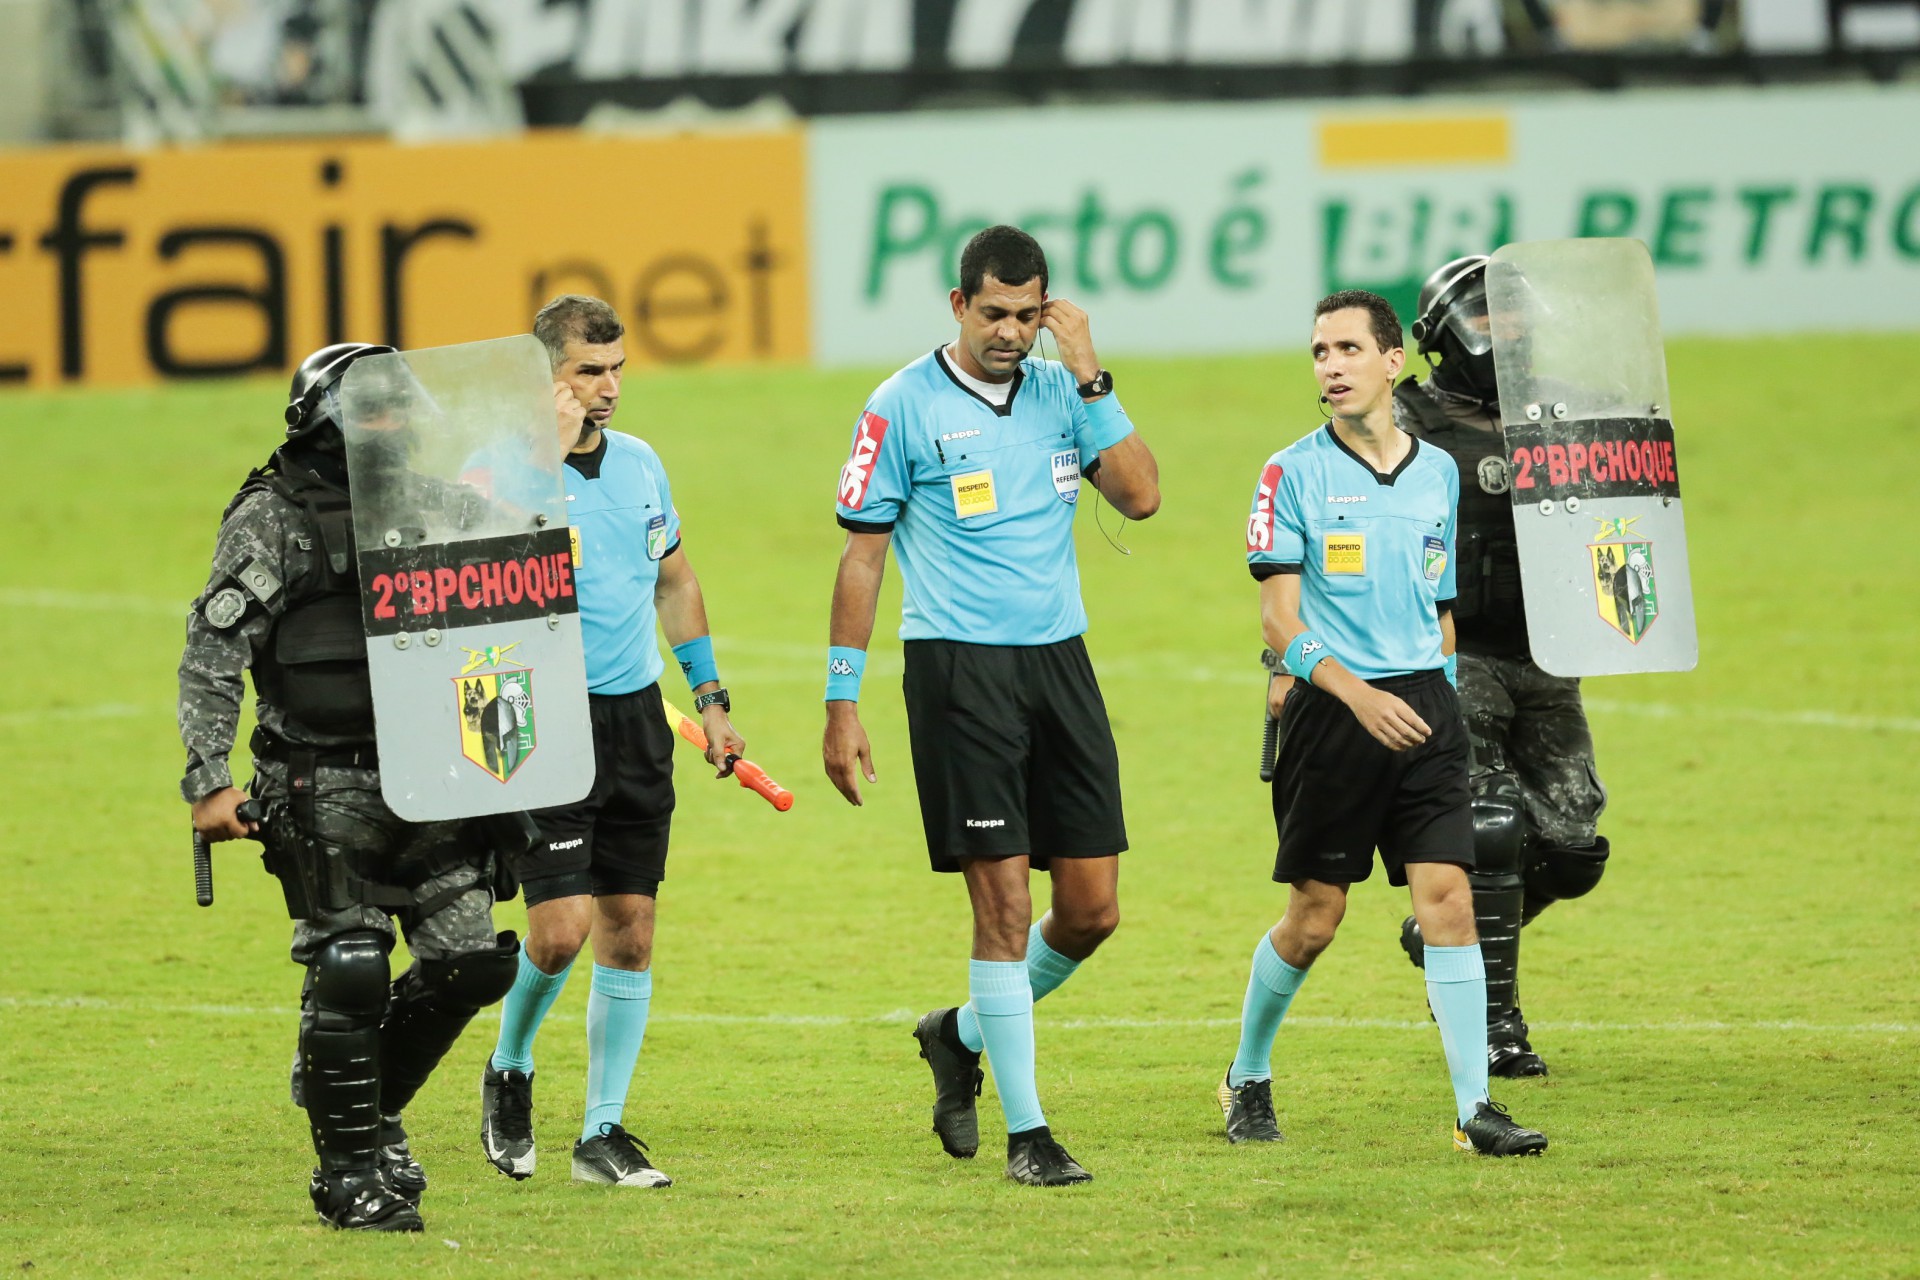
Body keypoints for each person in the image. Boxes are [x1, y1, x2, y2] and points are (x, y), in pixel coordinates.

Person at [821, 225, 1161, 1186]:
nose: (1011, 332)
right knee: (1005, 905)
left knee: (1090, 911)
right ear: (959, 305)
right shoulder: (900, 405)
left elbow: (1140, 498)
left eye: (1028, 314)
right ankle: (1030, 1134)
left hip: (1061, 667)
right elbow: (862, 557)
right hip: (958, 674)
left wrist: (1090, 371)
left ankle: (958, 1034)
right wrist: (842, 701)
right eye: (995, 313)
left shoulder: (1063, 392)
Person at [179, 342, 522, 1232]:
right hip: (319, 779)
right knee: (352, 966)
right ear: (322, 424)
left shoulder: (438, 506)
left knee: (473, 962)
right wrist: (208, 781)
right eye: (371, 410)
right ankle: (351, 1176)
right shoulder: (274, 519)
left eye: (401, 407)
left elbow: (522, 610)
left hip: (440, 775)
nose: (391, 424)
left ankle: (367, 1108)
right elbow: (213, 650)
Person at [1218, 290, 1547, 1157]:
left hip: (1425, 713)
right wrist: (1354, 694)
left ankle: (1475, 1110)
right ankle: (1248, 1074)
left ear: (1393, 362)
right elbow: (1278, 622)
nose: (1330, 367)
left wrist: (1441, 696)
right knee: (1314, 917)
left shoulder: (1437, 472)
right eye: (1319, 352)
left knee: (1449, 901)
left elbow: (1440, 608)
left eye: (1348, 350)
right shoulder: (1289, 473)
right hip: (1335, 715)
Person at [477, 295, 745, 1190]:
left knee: (629, 928)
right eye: (588, 371)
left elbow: (674, 581)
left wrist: (710, 698)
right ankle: (510, 1066)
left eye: (618, 368)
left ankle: (603, 1131)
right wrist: (541, 460)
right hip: (528, 716)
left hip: (633, 722)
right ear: (543, 377)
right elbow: (466, 578)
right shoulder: (498, 471)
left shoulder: (639, 465)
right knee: (560, 931)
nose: (609, 386)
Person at [1392, 256, 1611, 1077]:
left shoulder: (1566, 415)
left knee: (1573, 850)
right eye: (1486, 318)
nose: (1504, 333)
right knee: (1489, 828)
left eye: (1516, 317)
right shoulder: (1403, 422)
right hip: (1452, 651)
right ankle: (1494, 1024)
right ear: (1438, 336)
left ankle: (1442, 931)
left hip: (1548, 651)